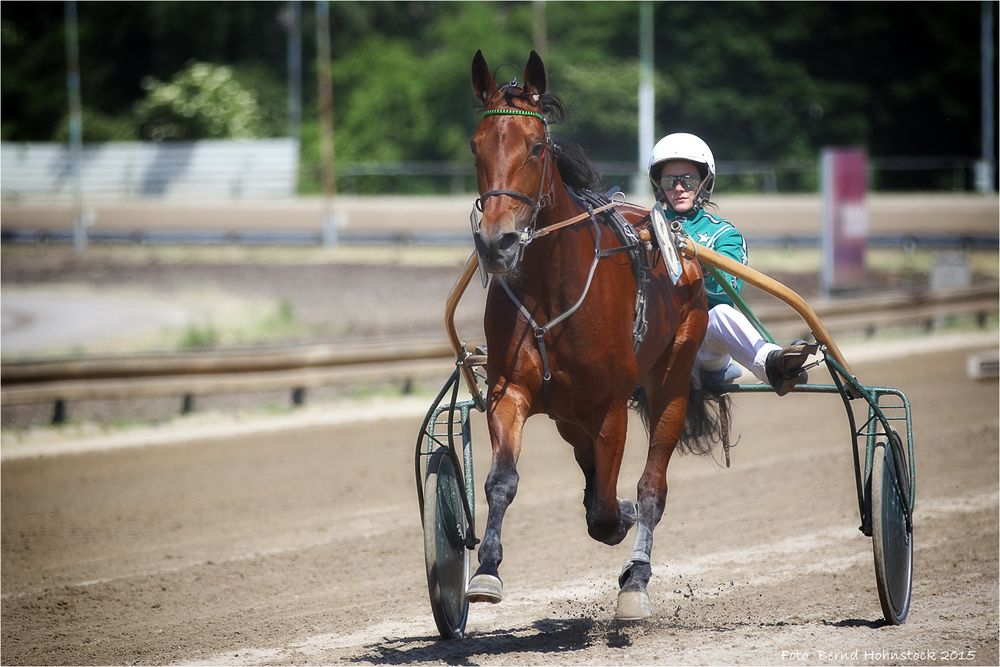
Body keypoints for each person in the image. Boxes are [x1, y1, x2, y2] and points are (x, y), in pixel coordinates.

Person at [647, 132, 811, 395]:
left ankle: (773, 365)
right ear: (659, 185)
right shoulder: (639, 228)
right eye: (669, 180)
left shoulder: (724, 235)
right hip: (649, 342)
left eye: (688, 180)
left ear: (703, 182)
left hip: (701, 342)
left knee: (722, 314)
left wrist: (686, 258)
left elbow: (725, 291)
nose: (678, 188)